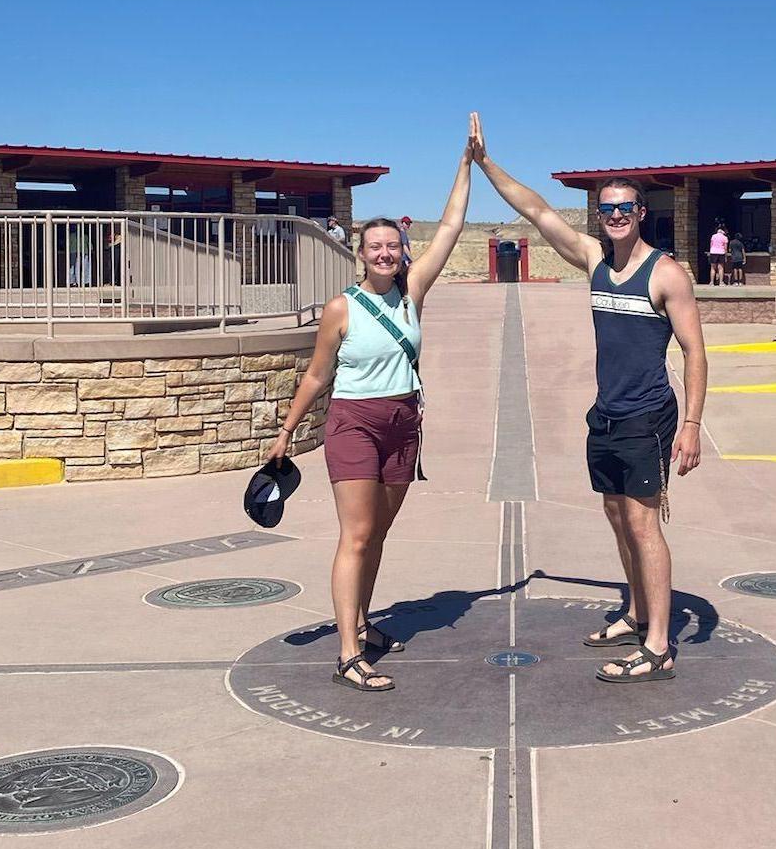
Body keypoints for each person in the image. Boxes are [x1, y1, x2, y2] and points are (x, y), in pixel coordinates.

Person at [471, 123, 706, 684]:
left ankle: (658, 645)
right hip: (605, 414)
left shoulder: (666, 274)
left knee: (644, 526)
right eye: (607, 209)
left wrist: (692, 424)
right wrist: (485, 163)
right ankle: (635, 612)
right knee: (617, 516)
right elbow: (536, 210)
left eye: (625, 208)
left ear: (641, 212)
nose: (616, 216)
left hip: (648, 416)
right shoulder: (595, 260)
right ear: (598, 215)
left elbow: (695, 352)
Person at [265, 143, 473, 691]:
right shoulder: (342, 308)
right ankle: (348, 655)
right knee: (356, 536)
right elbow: (317, 375)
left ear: (403, 251)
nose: (385, 254)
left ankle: (361, 621)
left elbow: (451, 227)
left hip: (404, 424)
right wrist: (287, 431)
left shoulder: (412, 292)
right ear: (360, 254)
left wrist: (465, 166)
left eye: (392, 246)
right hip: (353, 423)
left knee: (378, 532)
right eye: (375, 247)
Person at [707, 222, 728, 286]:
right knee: (720, 268)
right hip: (721, 252)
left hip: (713, 252)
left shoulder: (713, 236)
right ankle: (721, 282)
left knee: (713, 268)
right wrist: (726, 255)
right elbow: (725, 248)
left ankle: (711, 282)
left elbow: (711, 245)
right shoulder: (725, 237)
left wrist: (710, 252)